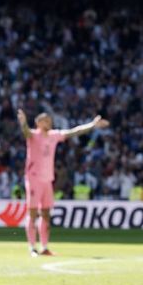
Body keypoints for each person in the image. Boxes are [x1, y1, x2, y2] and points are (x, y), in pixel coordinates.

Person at [17, 109, 109, 257]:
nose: (49, 122)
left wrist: (92, 125)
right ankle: (32, 247)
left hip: (47, 179)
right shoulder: (33, 135)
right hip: (34, 178)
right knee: (33, 213)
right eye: (45, 120)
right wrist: (23, 123)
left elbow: (74, 132)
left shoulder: (54, 136)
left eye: (49, 120)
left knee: (46, 214)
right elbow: (26, 132)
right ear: (38, 123)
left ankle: (45, 247)